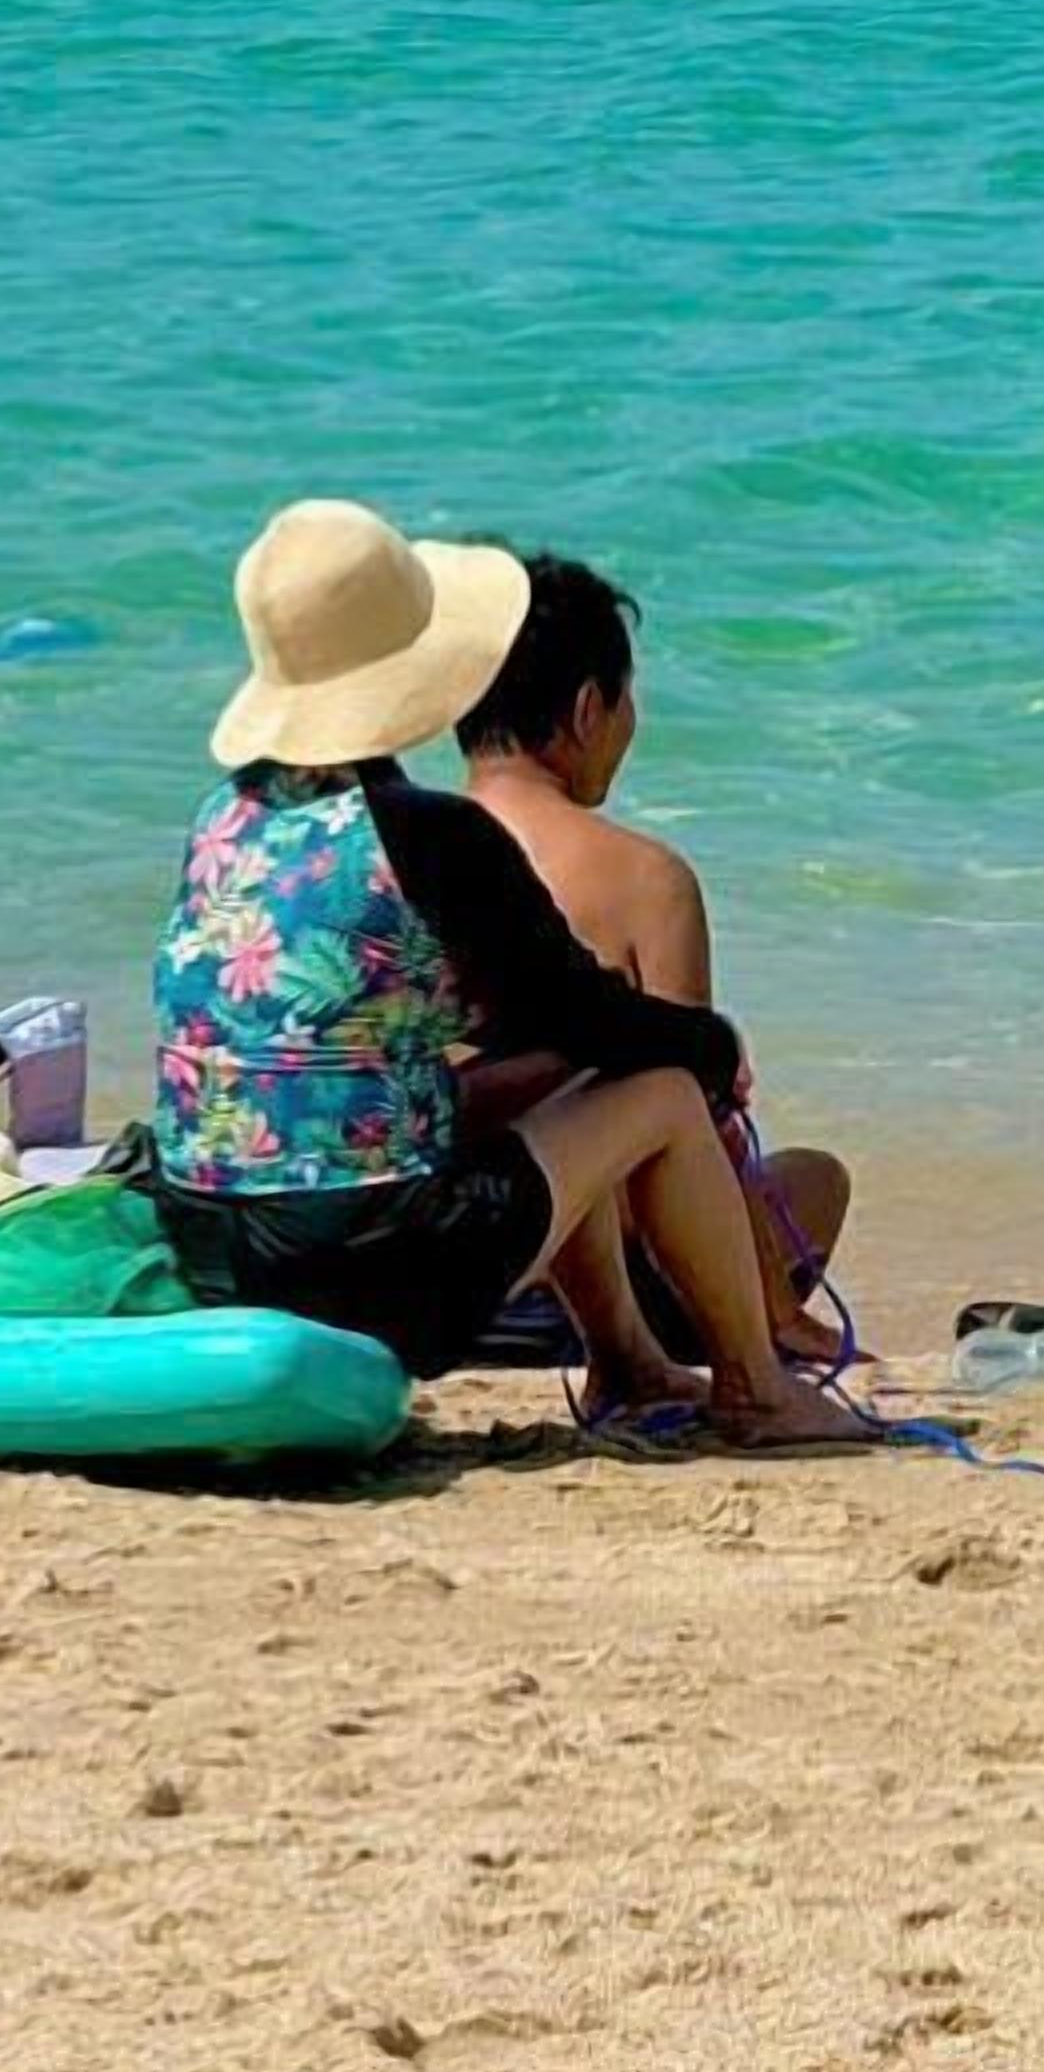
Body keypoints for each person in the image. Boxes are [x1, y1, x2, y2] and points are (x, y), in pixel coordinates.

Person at [147, 499, 858, 1442]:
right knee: (661, 1089)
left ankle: (632, 1367)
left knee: (559, 1088)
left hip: (207, 1244)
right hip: (361, 1269)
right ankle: (756, 1390)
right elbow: (593, 1019)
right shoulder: (429, 834)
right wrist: (713, 1046)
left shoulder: (226, 816)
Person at [456, 550, 854, 1352]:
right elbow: (697, 1130)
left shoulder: (407, 850)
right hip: (605, 1301)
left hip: (444, 1274)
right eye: (628, 699)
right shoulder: (646, 877)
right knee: (816, 1180)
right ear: (587, 709)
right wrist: (774, 1306)